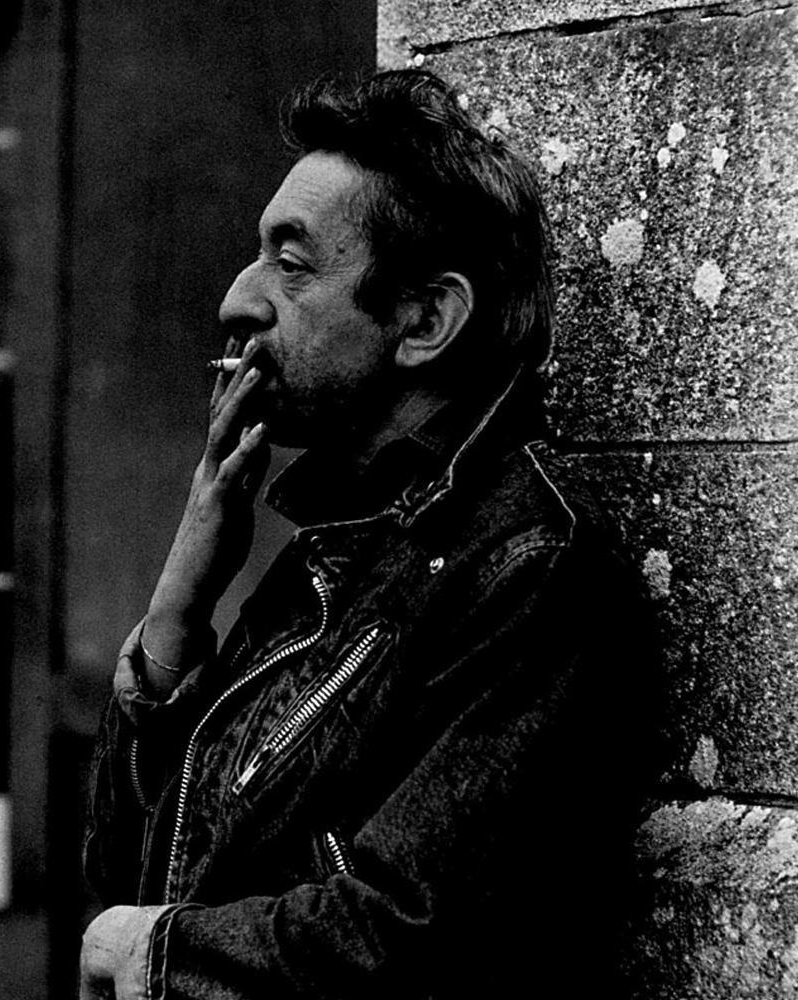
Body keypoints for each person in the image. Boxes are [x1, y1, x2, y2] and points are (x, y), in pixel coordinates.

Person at [80, 69, 659, 1000]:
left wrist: (160, 956)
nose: (237, 300)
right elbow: (125, 874)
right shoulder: (349, 537)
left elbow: (414, 935)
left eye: (291, 263)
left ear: (424, 320)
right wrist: (180, 600)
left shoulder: (527, 570)